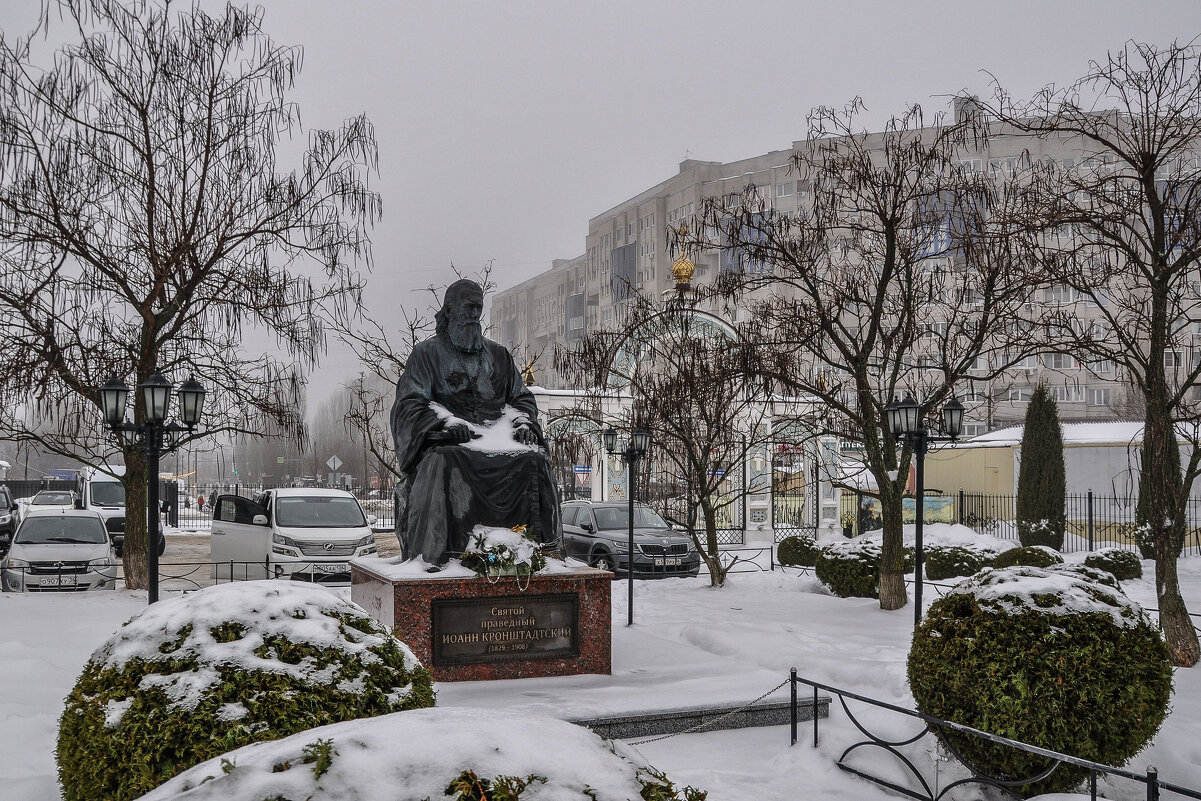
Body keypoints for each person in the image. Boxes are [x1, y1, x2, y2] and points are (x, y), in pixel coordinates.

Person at [390, 279, 560, 565]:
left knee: (536, 459)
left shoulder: (499, 356)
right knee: (445, 459)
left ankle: (541, 551)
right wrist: (443, 424)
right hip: (452, 443)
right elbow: (410, 402)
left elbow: (521, 397)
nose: (474, 314)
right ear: (449, 310)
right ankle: (441, 558)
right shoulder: (426, 354)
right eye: (468, 307)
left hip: (498, 437)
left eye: (478, 308)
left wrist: (522, 423)